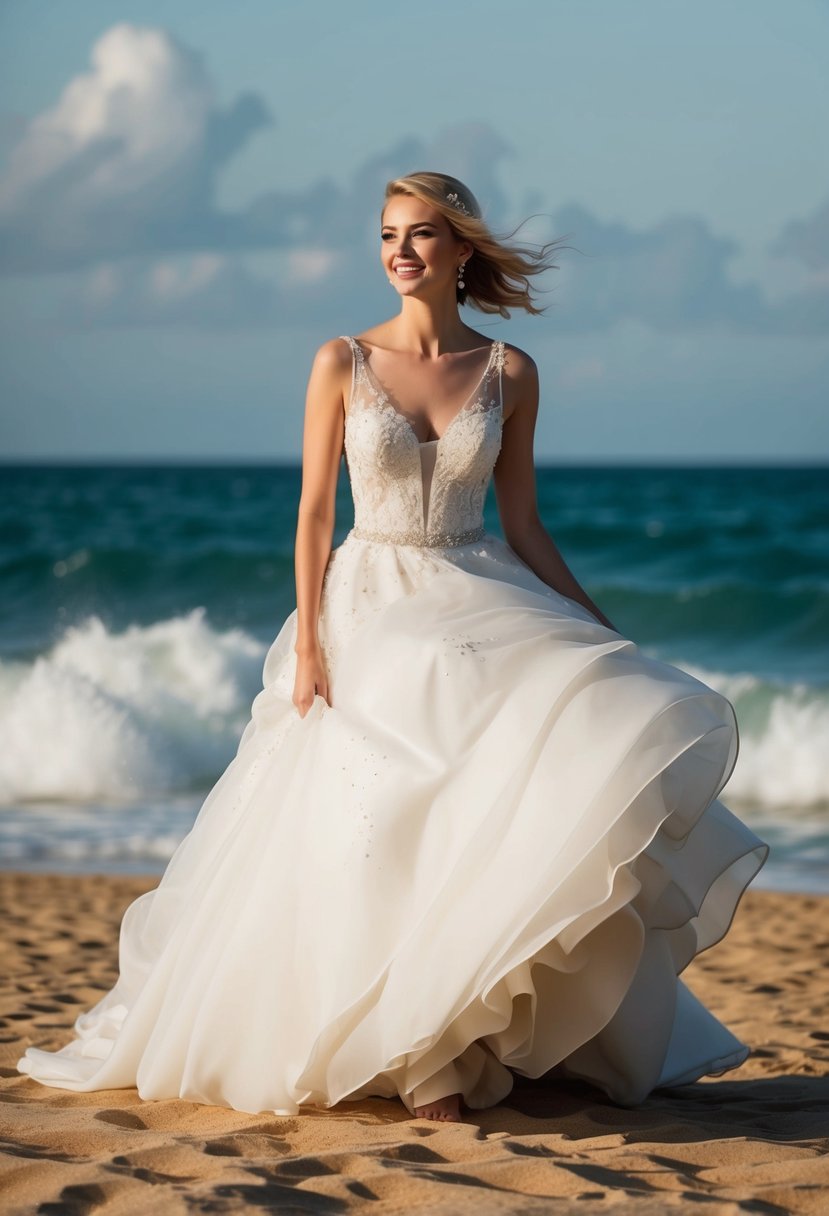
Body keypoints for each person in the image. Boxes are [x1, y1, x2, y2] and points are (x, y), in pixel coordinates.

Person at [17, 171, 768, 1124]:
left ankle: (454, 1033)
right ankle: (420, 1065)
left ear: (461, 250)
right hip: (366, 599)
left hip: (473, 590)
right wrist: (309, 644)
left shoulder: (511, 371)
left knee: (485, 807)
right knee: (372, 823)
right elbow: (314, 514)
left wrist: (591, 620)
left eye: (420, 235)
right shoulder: (339, 360)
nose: (400, 251)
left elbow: (525, 523)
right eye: (387, 235)